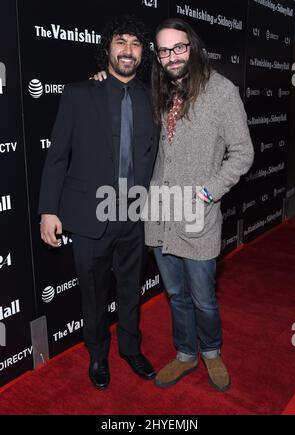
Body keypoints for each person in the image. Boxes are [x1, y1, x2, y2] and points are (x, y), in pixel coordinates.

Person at [38, 15, 158, 390]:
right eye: (120, 42)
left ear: (143, 54)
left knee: (128, 290)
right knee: (92, 294)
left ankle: (130, 349)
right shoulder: (78, 93)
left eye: (136, 44)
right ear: (107, 48)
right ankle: (97, 356)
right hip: (89, 215)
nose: (128, 51)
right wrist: (48, 210)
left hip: (134, 214)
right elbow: (58, 155)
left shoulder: (152, 98)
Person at [144, 18, 254, 392]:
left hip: (198, 218)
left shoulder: (222, 91)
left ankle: (211, 352)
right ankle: (185, 355)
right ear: (157, 57)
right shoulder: (160, 91)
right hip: (161, 217)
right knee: (175, 295)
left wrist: (207, 193)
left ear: (192, 46)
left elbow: (242, 153)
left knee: (203, 298)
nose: (172, 56)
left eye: (179, 47)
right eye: (164, 50)